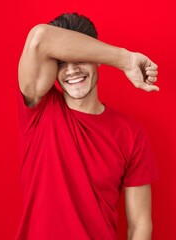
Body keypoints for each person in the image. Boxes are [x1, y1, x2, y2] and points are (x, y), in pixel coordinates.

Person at [15, 13, 159, 240]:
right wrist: (126, 60)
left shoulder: (131, 134)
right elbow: (40, 37)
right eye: (61, 62)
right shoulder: (39, 108)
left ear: (97, 58)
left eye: (80, 58)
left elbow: (139, 225)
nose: (71, 70)